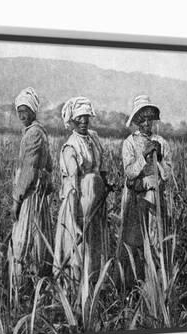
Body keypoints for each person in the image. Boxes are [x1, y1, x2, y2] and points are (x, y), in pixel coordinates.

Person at [54, 97, 110, 283]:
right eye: (79, 118)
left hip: (96, 204)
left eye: (86, 117)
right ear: (72, 120)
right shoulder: (70, 147)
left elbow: (101, 167)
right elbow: (72, 186)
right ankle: (74, 291)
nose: (84, 121)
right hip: (79, 206)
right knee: (79, 249)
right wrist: (75, 222)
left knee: (95, 246)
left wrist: (105, 183)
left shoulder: (93, 138)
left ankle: (95, 285)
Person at [120, 95, 172, 279]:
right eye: (142, 119)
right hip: (137, 199)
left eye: (150, 118)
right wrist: (144, 156)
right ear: (136, 121)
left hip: (156, 199)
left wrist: (158, 158)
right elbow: (130, 173)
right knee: (136, 241)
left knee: (156, 240)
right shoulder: (129, 143)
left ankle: (156, 282)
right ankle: (135, 282)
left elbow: (167, 175)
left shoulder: (162, 142)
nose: (147, 123)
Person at [8, 87, 53, 281]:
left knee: (24, 239)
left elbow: (29, 169)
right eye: (19, 110)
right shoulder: (38, 132)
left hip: (30, 195)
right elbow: (49, 165)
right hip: (37, 193)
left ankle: (23, 285)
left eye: (25, 110)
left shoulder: (34, 134)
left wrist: (16, 200)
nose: (21, 114)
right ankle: (36, 282)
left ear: (33, 111)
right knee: (38, 236)